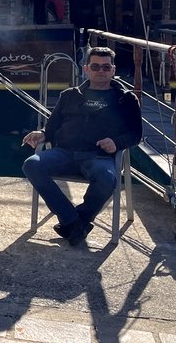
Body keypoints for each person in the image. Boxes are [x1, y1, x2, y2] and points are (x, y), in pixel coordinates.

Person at [21, 47, 142, 246]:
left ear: (113, 70)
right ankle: (72, 220)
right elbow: (52, 127)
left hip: (98, 156)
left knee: (107, 178)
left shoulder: (126, 99)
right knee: (31, 164)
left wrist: (116, 143)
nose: (101, 71)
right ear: (86, 69)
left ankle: (79, 220)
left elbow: (136, 134)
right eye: (95, 66)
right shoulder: (69, 95)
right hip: (64, 153)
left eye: (106, 67)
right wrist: (42, 133)